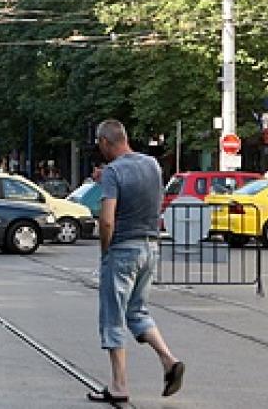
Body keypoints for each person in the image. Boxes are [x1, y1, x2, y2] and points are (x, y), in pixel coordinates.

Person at [88, 119, 184, 403]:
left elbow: (107, 220)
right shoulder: (152, 165)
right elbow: (144, 194)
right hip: (149, 248)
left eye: (99, 144)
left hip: (122, 250)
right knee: (137, 312)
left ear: (106, 142)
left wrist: (106, 250)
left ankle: (118, 386)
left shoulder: (113, 172)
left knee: (113, 317)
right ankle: (169, 360)